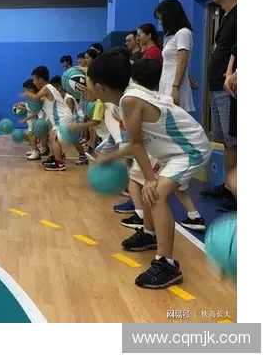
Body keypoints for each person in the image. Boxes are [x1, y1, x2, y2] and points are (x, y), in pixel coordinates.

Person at [87, 51, 211, 289]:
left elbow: (135, 144)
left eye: (90, 83)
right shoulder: (128, 96)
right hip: (173, 150)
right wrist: (110, 157)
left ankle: (167, 264)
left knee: (156, 194)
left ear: (100, 87)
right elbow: (135, 144)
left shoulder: (129, 100)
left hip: (189, 149)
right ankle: (150, 234)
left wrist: (151, 179)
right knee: (148, 187)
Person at [200, 0, 237, 212]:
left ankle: (238, 191)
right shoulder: (226, 16)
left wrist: (232, 72)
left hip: (230, 89)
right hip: (217, 87)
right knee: (225, 141)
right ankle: (229, 186)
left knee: (235, 141)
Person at [23, 66, 74, 171]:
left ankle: (59, 163)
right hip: (61, 117)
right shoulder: (49, 88)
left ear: (40, 80)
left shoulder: (46, 88)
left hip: (61, 117)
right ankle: (54, 157)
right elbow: (40, 102)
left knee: (53, 138)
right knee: (52, 138)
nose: (33, 82)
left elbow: (36, 97)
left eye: (34, 80)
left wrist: (27, 93)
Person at [154, 0, 195, 112]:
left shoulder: (183, 33)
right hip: (166, 82)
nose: (160, 22)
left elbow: (182, 61)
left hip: (175, 85)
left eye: (161, 18)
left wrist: (175, 87)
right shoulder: (171, 37)